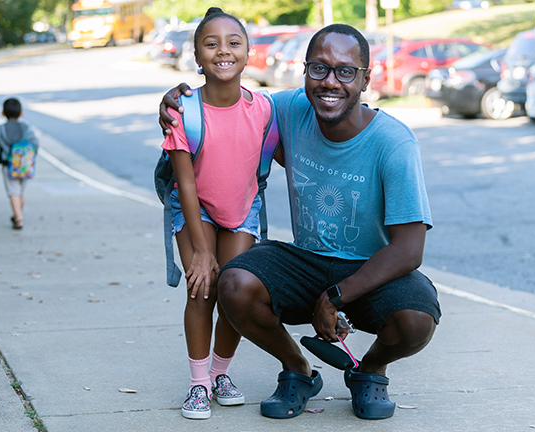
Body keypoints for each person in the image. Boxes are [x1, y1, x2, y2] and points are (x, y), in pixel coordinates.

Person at [159, 23, 441, 420]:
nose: (330, 82)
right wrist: (178, 102)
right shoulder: (288, 110)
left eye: (345, 71)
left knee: (417, 318)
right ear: (304, 71)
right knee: (235, 284)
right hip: (306, 261)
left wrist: (336, 296)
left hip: (369, 269)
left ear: (365, 79)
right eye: (318, 69)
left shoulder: (394, 143)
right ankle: (298, 368)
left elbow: (410, 250)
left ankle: (370, 371)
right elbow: (229, 104)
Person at [159, 7, 276, 420]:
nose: (223, 51)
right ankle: (198, 383)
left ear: (248, 53)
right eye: (211, 44)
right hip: (195, 208)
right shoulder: (183, 111)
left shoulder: (264, 108)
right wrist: (202, 250)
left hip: (241, 209)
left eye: (233, 43)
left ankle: (220, 373)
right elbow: (186, 184)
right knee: (202, 286)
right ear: (196, 56)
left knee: (234, 292)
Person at [0, 98, 39, 229]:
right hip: (25, 165)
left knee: (13, 192)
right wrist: (31, 158)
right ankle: (18, 214)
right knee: (20, 192)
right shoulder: (26, 128)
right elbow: (35, 142)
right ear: (21, 113)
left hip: (9, 165)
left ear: (2, 113)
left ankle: (19, 218)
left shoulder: (1, 129)